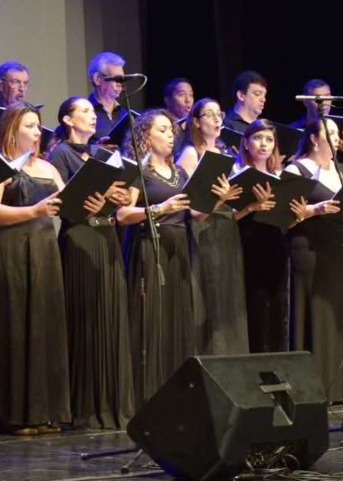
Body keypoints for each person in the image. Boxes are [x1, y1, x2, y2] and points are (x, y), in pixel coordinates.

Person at [0, 104, 70, 434]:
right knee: (15, 328)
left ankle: (42, 411)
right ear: (13, 130)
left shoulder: (47, 167)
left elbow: (66, 200)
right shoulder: (1, 165)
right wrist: (34, 210)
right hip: (10, 253)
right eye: (30, 125)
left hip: (44, 254)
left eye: (39, 125)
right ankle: (14, 413)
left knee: (43, 329)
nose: (37, 131)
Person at [47, 97, 135, 429]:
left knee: (110, 319)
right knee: (88, 320)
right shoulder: (60, 153)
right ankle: (85, 407)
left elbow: (116, 197)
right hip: (80, 238)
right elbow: (66, 203)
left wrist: (120, 198)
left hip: (107, 237)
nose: (91, 116)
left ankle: (112, 404)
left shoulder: (101, 155)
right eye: (84, 110)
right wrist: (92, 199)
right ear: (68, 119)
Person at [118, 109, 194, 404]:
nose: (170, 135)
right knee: (152, 319)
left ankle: (177, 389)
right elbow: (123, 214)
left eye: (171, 130)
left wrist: (220, 198)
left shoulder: (180, 173)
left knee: (177, 317)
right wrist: (159, 210)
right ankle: (147, 392)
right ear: (145, 136)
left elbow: (195, 213)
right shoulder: (139, 170)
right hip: (150, 245)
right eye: (162, 130)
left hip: (179, 247)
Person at [283, 117, 343, 399]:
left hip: (336, 249)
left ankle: (334, 387)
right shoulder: (297, 169)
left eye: (337, 133)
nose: (336, 138)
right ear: (313, 138)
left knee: (332, 318)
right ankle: (307, 387)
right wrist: (316, 209)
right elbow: (285, 216)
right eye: (330, 132)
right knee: (309, 314)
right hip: (306, 248)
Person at [177, 98, 249, 355]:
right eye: (209, 115)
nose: (218, 119)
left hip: (225, 226)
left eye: (219, 114)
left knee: (229, 296)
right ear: (196, 121)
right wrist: (221, 197)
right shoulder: (189, 153)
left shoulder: (223, 153)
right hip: (204, 227)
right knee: (211, 295)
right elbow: (189, 202)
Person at [233, 119, 288, 353]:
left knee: (278, 307)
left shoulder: (280, 176)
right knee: (255, 307)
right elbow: (227, 218)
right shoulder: (237, 174)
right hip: (248, 244)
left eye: (269, 139)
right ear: (246, 143)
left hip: (276, 244)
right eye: (257, 138)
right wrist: (251, 207)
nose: (263, 144)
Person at [85, 51, 131, 144]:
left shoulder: (126, 115)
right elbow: (70, 151)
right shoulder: (82, 114)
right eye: (116, 78)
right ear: (97, 79)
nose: (120, 84)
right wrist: (95, 149)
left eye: (122, 79)